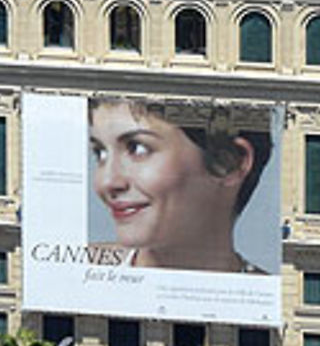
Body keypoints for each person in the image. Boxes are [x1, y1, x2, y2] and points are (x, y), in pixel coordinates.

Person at [89, 98, 271, 273]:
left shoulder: (272, 299)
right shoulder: (74, 277)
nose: (106, 182)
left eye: (137, 148)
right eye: (100, 153)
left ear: (228, 163)